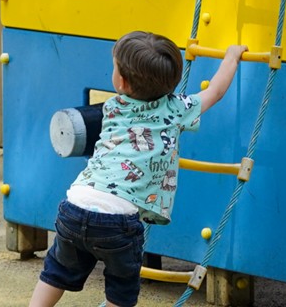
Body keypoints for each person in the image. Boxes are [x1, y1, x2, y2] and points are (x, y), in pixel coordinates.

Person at [27, 34, 245, 307]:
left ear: (121, 82)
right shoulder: (177, 109)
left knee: (56, 272)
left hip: (75, 205)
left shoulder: (113, 107)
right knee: (121, 289)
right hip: (118, 220)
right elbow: (215, 91)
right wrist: (232, 56)